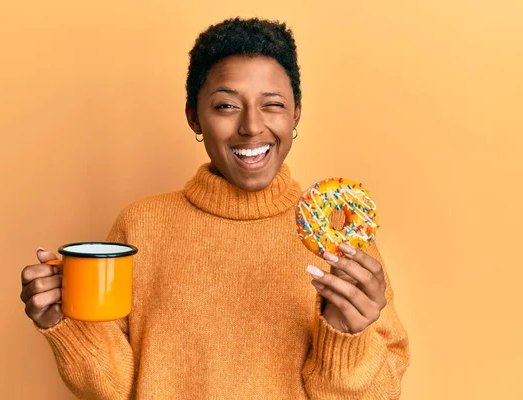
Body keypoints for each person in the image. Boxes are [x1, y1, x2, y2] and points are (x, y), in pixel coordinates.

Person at [20, 17, 410, 399]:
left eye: (272, 104)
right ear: (194, 116)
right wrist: (61, 320)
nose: (252, 126)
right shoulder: (140, 226)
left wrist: (346, 337)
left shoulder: (340, 240)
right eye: (226, 106)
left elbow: (382, 392)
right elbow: (115, 389)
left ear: (296, 114)